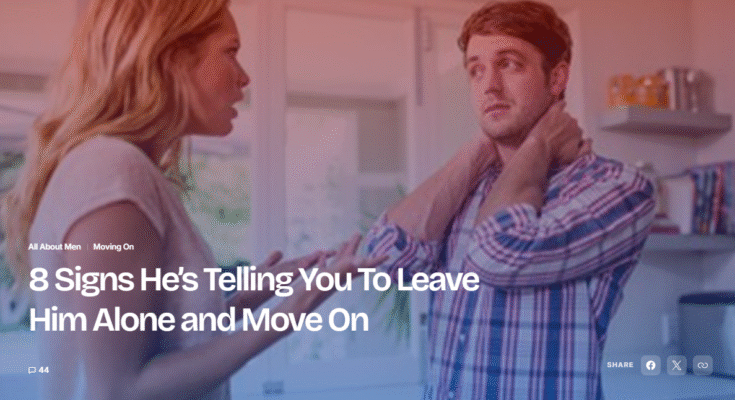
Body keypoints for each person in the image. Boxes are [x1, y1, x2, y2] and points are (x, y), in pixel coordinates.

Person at [1, 0, 384, 399]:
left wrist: (251, 296)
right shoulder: (111, 168)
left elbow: (163, 342)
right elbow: (121, 389)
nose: (245, 77)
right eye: (230, 52)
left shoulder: (117, 167)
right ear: (171, 57)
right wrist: (293, 310)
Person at [366, 1, 655, 399]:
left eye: (509, 64)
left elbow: (499, 253)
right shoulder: (467, 186)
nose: (489, 86)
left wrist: (538, 144)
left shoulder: (618, 187)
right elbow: (384, 260)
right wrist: (479, 149)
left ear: (557, 78)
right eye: (476, 70)